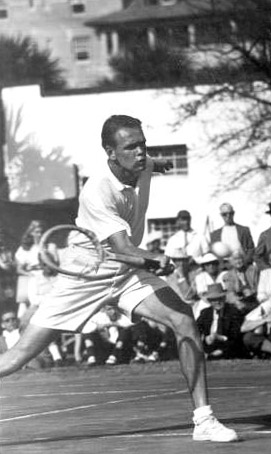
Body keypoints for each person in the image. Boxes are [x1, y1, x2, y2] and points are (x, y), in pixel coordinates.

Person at [0, 115, 237, 442]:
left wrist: (162, 165)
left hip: (127, 274)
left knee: (184, 321)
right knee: (17, 357)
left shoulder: (143, 163)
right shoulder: (96, 192)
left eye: (143, 144)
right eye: (131, 147)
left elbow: (154, 165)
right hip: (86, 274)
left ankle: (204, 421)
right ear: (110, 153)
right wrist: (156, 258)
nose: (141, 152)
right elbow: (123, 248)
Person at [14, 220, 58, 318]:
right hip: (34, 279)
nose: (40, 234)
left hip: (49, 278)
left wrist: (47, 254)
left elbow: (56, 266)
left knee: (51, 305)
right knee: (36, 305)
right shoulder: (25, 248)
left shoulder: (51, 246)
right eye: (37, 232)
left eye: (42, 232)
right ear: (31, 233)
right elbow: (19, 269)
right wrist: (31, 275)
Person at [196, 284, 247, 359]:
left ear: (224, 298)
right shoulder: (205, 313)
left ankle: (212, 356)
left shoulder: (233, 312)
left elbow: (235, 335)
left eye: (220, 298)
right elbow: (196, 329)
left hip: (227, 346)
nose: (217, 302)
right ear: (210, 301)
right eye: (214, 300)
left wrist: (219, 337)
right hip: (209, 346)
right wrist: (206, 339)